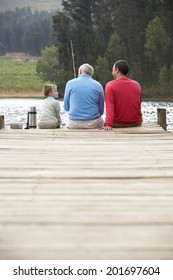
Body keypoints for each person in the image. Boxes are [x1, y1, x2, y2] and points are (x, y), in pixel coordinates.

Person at [104, 60, 142, 130]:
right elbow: (138, 104)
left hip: (119, 123)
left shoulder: (110, 86)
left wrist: (108, 124)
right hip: (136, 123)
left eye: (113, 69)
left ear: (117, 70)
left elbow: (110, 107)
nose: (112, 71)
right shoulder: (137, 85)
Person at [64, 63, 104, 129]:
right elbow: (101, 110)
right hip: (93, 123)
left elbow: (66, 107)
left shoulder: (69, 83)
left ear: (80, 71)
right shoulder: (98, 85)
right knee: (102, 121)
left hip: (74, 123)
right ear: (91, 74)